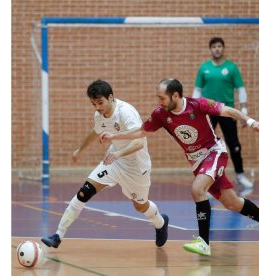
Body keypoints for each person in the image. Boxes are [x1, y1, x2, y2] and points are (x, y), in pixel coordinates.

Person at [99, 78, 259, 256]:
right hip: (197, 162)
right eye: (158, 98)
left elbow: (228, 111)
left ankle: (204, 242)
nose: (159, 101)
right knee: (232, 203)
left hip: (214, 153)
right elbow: (142, 131)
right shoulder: (160, 114)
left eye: (162, 97)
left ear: (176, 96)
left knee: (197, 189)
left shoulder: (198, 104)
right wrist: (114, 137)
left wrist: (251, 122)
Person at [41, 80, 169, 249]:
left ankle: (160, 222)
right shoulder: (99, 115)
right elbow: (96, 131)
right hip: (113, 162)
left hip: (136, 167)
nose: (97, 107)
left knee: (140, 205)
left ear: (111, 97)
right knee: (84, 192)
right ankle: (58, 235)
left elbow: (139, 143)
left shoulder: (126, 113)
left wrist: (117, 154)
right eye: (93, 104)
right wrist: (79, 150)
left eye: (100, 103)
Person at [193, 37, 253, 188]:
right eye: (214, 47)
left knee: (234, 144)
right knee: (205, 145)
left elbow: (241, 89)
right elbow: (197, 90)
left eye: (219, 46)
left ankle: (240, 175)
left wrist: (244, 109)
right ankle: (205, 178)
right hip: (208, 112)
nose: (217, 49)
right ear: (210, 49)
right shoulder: (204, 68)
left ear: (223, 48)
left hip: (227, 111)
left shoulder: (232, 68)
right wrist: (194, 111)